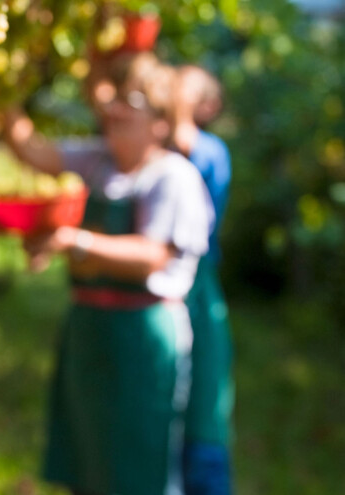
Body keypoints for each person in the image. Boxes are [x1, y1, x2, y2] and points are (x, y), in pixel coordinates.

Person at [3, 53, 214, 495]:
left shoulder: (172, 177)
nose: (114, 110)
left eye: (130, 101)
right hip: (88, 328)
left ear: (159, 120)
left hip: (142, 335)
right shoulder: (98, 161)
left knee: (140, 459)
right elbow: (35, 153)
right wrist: (3, 93)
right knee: (87, 453)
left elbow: (151, 256)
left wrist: (74, 241)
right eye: (114, 99)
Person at [171, 64, 234, 495]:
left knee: (202, 413)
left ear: (208, 106)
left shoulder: (210, 150)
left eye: (186, 85)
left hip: (197, 290)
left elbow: (182, 139)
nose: (175, 84)